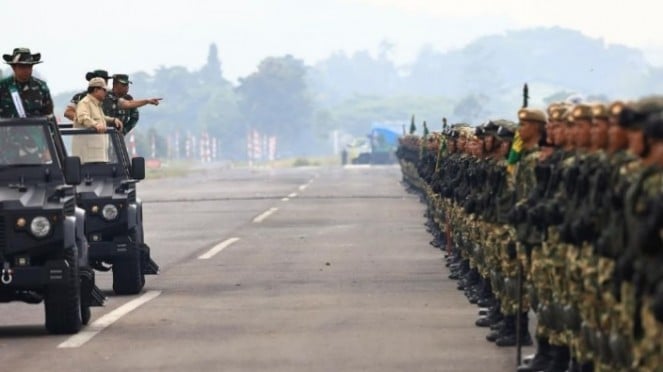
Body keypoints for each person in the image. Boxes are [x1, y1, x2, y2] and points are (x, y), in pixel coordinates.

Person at [71, 77, 122, 163]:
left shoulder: (96, 104)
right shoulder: (85, 103)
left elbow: (101, 118)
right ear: (95, 90)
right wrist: (95, 125)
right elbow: (83, 117)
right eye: (104, 90)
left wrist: (112, 120)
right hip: (88, 157)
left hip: (97, 156)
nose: (106, 93)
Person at [0, 47, 53, 118]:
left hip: (35, 128)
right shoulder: (3, 86)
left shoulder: (41, 87)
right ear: (14, 67)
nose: (26, 70)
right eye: (22, 67)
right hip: (7, 128)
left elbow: (48, 115)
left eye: (29, 66)